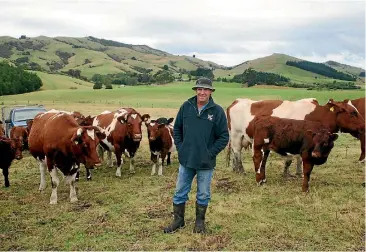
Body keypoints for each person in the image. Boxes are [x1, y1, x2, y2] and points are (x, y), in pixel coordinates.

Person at [163, 77, 229, 234]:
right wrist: (181, 147)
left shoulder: (217, 111)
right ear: (195, 90)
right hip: (186, 159)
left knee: (203, 193)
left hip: (206, 162)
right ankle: (178, 221)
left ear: (211, 92)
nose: (202, 92)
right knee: (180, 191)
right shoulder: (186, 107)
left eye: (206, 89)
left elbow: (224, 137)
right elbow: (177, 129)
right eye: (199, 89)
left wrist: (210, 153)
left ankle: (200, 223)